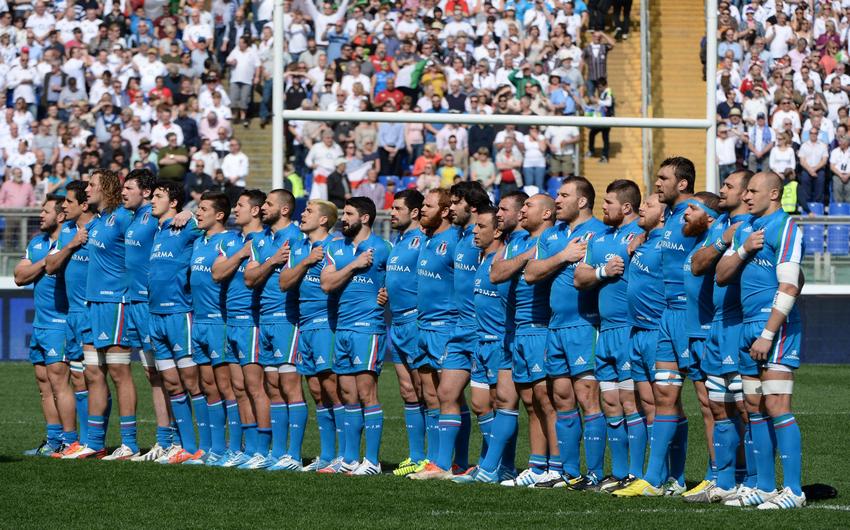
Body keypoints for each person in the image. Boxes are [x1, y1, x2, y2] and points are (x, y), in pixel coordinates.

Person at [715, 171, 806, 510]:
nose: (747, 196)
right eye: (747, 191)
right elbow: (722, 276)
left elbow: (790, 286)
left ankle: (794, 490)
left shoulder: (786, 226)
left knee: (777, 405)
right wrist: (742, 250)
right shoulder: (748, 230)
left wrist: (768, 334)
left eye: (754, 191)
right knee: (753, 407)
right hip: (746, 326)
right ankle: (766, 487)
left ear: (774, 194)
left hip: (775, 327)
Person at [615, 156, 702, 497]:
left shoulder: (696, 213)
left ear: (681, 183)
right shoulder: (664, 227)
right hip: (662, 321)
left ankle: (725, 477)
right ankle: (659, 478)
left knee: (713, 403)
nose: (657, 184)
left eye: (663, 179)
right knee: (661, 400)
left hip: (689, 320)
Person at [523, 178, 607, 489]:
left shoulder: (599, 232)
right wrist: (563, 257)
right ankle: (569, 473)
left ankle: (596, 474)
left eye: (564, 195)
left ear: (582, 201)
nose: (557, 200)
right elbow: (530, 274)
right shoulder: (552, 236)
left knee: (588, 398)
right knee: (561, 397)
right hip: (555, 326)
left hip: (586, 324)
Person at [409, 182, 490, 480]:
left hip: (465, 326)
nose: (452, 207)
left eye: (455, 202)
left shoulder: (478, 237)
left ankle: (477, 462)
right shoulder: (452, 236)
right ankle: (444, 464)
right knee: (443, 393)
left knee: (487, 401)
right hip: (447, 327)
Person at [685, 170, 753, 503]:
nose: (721, 189)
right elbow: (697, 264)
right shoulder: (720, 227)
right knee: (718, 407)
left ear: (747, 193)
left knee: (746, 407)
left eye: (729, 186)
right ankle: (726, 482)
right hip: (717, 325)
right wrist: (721, 239)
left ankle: (754, 481)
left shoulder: (755, 227)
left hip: (741, 324)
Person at [482, 193, 558, 487]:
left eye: (528, 206)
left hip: (540, 328)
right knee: (529, 401)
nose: (523, 210)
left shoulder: (552, 238)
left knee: (546, 400)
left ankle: (557, 466)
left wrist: (523, 262)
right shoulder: (518, 242)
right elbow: (496, 273)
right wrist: (525, 256)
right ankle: (537, 466)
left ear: (547, 213)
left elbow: (530, 276)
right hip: (516, 331)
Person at [572, 179, 644, 491]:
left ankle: (637, 475)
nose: (603, 207)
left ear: (626, 207)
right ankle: (619, 472)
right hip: (605, 332)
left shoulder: (642, 234)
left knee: (630, 402)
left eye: (609, 202)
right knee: (611, 402)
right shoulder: (600, 239)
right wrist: (603, 272)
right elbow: (579, 277)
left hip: (629, 330)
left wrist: (644, 239)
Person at [67, 170, 138, 459]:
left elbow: (150, 228)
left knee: (120, 372)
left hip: (116, 303)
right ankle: (95, 442)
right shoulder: (96, 224)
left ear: (106, 188)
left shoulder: (123, 217)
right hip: (92, 305)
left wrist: (186, 217)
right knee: (93, 372)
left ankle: (130, 443)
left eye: (92, 184)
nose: (87, 188)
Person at [321, 197, 391, 475]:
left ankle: (371, 461)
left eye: (349, 214)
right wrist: (354, 265)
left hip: (368, 327)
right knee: (347, 394)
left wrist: (388, 296)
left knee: (366, 392)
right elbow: (327, 283)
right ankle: (350, 459)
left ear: (365, 218)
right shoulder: (335, 247)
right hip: (343, 328)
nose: (343, 218)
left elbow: (401, 281)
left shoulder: (384, 248)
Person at [244, 189, 305, 469]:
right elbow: (249, 279)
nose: (263, 208)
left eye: (268, 204)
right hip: (264, 318)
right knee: (272, 385)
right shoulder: (260, 241)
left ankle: (293, 454)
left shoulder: (297, 237)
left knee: (290, 385)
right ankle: (277, 452)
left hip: (288, 318)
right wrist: (272, 262)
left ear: (283, 209)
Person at [278, 200, 341, 472]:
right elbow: (284, 282)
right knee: (316, 390)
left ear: (324, 220)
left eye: (309, 212)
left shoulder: (335, 246)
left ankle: (346, 455)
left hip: (327, 323)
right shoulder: (300, 248)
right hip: (304, 324)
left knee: (332, 388)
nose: (302, 215)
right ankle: (327, 456)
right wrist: (305, 262)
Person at [147, 181, 207, 465]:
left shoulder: (185, 225)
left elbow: (213, 227)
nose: (152, 200)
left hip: (179, 313)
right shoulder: (158, 230)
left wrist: (192, 215)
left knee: (192, 382)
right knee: (171, 383)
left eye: (158, 196)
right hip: (155, 314)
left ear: (173, 203)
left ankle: (205, 446)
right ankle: (185, 445)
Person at [211, 189, 267, 467]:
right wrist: (240, 254)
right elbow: (217, 273)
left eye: (241, 205)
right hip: (230, 319)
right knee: (238, 387)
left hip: (251, 319)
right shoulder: (235, 242)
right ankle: (246, 448)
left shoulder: (265, 241)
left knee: (255, 387)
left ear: (255, 210)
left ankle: (264, 449)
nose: (236, 209)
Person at [15, 195, 74, 456]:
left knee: (60, 383)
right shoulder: (37, 243)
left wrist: (48, 262)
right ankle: (53, 439)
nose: (40, 214)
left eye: (46, 210)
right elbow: (19, 277)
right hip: (40, 324)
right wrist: (45, 262)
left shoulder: (70, 240)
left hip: (60, 323)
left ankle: (71, 441)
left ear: (60, 216)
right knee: (43, 385)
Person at [189, 192, 239, 466]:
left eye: (203, 209)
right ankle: (213, 447)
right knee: (208, 385)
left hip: (219, 321)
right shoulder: (199, 240)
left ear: (220, 215)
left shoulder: (229, 240)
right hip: (199, 320)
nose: (198, 212)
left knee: (225, 386)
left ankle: (234, 445)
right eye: (197, 208)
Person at [411, 188, 458, 471]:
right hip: (423, 326)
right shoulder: (427, 240)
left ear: (444, 211)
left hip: (446, 327)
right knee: (429, 395)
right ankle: (434, 459)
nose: (422, 210)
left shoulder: (455, 240)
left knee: (448, 396)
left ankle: (455, 461)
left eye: (427, 206)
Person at [44, 182, 92, 458]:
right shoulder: (68, 234)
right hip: (73, 314)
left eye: (69, 202)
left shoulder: (98, 228)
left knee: (93, 377)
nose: (64, 207)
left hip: (94, 312)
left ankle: (94, 441)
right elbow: (50, 266)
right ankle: (82, 442)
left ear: (83, 205)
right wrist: (71, 245)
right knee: (78, 378)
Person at [383, 189, 428, 476]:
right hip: (396, 323)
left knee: (426, 390)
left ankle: (434, 458)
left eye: (398, 208)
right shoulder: (397, 242)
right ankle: (416, 455)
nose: (392, 212)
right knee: (407, 390)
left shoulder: (422, 241)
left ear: (414, 212)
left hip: (415, 322)